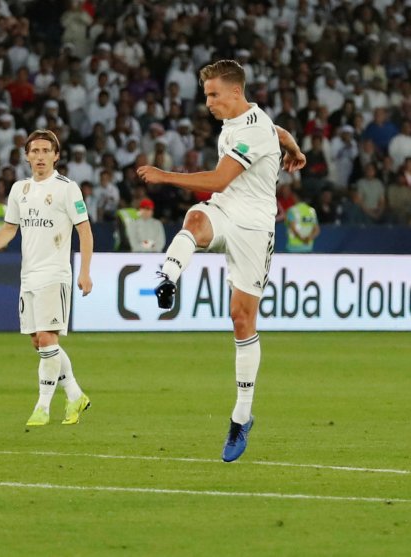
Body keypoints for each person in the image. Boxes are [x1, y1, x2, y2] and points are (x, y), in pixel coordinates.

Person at [137, 60, 306, 462]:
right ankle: (167, 277)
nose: (208, 102)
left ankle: (241, 417)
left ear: (234, 92)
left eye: (214, 94)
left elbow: (217, 179)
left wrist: (165, 175)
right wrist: (295, 148)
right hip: (226, 211)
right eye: (207, 94)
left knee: (241, 318)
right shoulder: (249, 119)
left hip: (255, 229)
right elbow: (278, 131)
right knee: (196, 217)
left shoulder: (250, 130)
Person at [0, 129, 94, 427]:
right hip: (28, 275)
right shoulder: (20, 189)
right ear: (26, 155)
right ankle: (75, 394)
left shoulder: (67, 188)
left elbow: (84, 230)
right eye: (35, 151)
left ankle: (42, 407)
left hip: (55, 274)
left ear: (56, 155)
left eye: (46, 151)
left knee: (46, 338)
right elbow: (9, 228)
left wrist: (84, 271)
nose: (40, 156)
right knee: (38, 342)